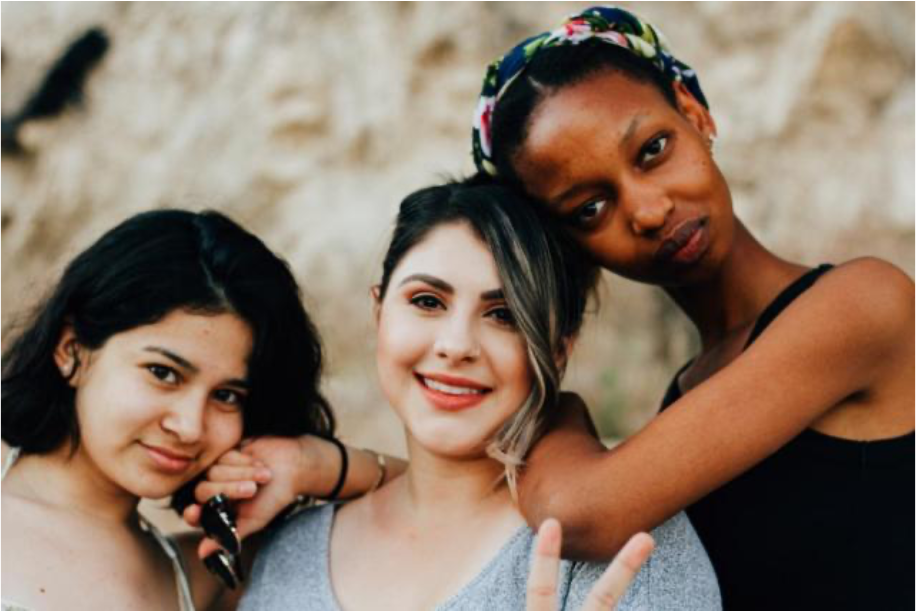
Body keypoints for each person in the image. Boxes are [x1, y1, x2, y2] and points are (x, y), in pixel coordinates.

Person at [471, 6, 916, 610]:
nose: (649, 210)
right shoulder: (688, 392)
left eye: (653, 149)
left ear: (694, 112)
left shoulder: (863, 304)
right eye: (590, 209)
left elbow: (577, 517)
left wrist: (559, 408)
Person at [236, 177, 721, 611]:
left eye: (503, 315)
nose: (456, 346)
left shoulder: (630, 548)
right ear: (379, 311)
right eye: (427, 302)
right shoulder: (290, 553)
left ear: (557, 350)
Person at [0, 209, 389, 611]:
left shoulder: (202, 577)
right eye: (163, 373)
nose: (189, 426)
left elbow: (444, 509)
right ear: (72, 351)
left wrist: (310, 464)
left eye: (227, 395)